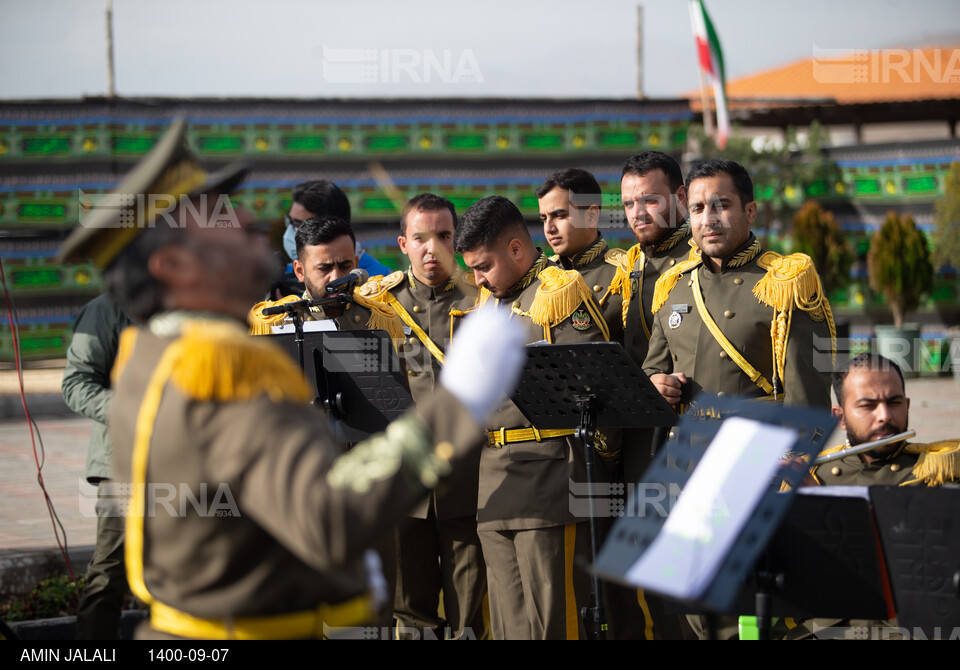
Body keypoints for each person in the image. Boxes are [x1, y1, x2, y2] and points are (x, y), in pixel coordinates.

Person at [55, 118, 526, 640]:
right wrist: (457, 405)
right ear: (173, 264)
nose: (250, 222)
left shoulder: (153, 352)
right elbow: (326, 518)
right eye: (222, 220)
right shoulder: (219, 368)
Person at [454, 195, 611, 640]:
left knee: (552, 621)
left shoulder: (558, 292)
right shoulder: (487, 304)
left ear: (517, 250)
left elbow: (592, 388)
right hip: (493, 480)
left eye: (484, 266)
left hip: (547, 476)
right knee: (507, 624)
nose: (478, 279)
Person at [364, 193, 484, 640]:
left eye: (444, 236)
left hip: (467, 482)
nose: (432, 248)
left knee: (468, 618)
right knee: (411, 617)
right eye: (420, 238)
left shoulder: (483, 298)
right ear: (403, 243)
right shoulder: (379, 305)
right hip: (405, 488)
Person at [644, 158, 836, 411]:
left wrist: (797, 451)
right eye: (698, 209)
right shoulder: (672, 284)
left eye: (721, 206)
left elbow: (808, 398)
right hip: (685, 447)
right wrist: (656, 383)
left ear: (750, 212)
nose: (708, 220)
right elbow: (654, 369)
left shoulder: (787, 283)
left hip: (756, 447)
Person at [62, 293, 134, 639]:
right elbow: (76, 384)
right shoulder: (106, 309)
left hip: (187, 462)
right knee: (109, 575)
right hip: (123, 465)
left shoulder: (197, 301)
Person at [249, 216, 404, 341]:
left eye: (345, 266)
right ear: (299, 271)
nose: (336, 277)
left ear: (356, 264)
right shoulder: (273, 324)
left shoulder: (381, 320)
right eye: (324, 268)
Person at [813, 353, 959, 486]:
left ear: (907, 406)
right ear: (841, 418)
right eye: (868, 406)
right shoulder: (815, 476)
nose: (885, 416)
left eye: (894, 403)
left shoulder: (940, 470)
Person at [537, 168, 624, 342]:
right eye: (544, 219)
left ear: (591, 215)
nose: (549, 228)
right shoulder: (543, 274)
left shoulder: (624, 273)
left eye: (559, 216)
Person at [282, 180, 391, 277]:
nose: (290, 231)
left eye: (298, 224)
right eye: (289, 221)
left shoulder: (382, 284)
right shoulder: (284, 276)